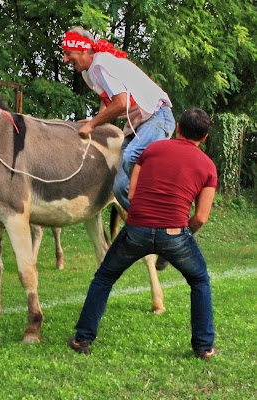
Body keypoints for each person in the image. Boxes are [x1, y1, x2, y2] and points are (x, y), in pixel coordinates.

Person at [67, 108, 218, 359]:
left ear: (177, 127)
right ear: (204, 137)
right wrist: (183, 235)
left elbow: (133, 194)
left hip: (137, 229)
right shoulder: (208, 167)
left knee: (104, 278)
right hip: (175, 233)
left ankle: (83, 339)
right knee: (199, 281)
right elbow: (201, 217)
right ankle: (204, 347)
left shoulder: (151, 150)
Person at [61, 27, 176, 211]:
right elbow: (108, 100)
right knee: (120, 187)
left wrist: (92, 124)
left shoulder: (102, 64)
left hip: (157, 117)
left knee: (131, 156)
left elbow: (121, 103)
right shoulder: (89, 71)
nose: (65, 59)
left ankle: (158, 217)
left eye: (68, 53)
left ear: (83, 50)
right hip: (139, 125)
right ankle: (146, 223)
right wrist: (96, 120)